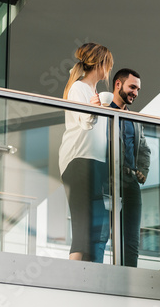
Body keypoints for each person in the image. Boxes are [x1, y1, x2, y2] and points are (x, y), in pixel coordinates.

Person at [58, 43, 114, 262]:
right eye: (108, 65)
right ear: (101, 64)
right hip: (79, 159)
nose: (108, 70)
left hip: (95, 162)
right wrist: (96, 109)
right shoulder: (78, 88)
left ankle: (91, 273)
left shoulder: (94, 92)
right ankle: (74, 277)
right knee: (82, 224)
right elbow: (86, 122)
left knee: (98, 228)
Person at [109, 68, 151, 267]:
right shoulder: (102, 110)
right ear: (118, 84)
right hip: (107, 178)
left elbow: (144, 149)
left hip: (131, 181)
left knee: (132, 239)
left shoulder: (134, 119)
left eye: (138, 89)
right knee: (104, 232)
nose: (135, 92)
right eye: (132, 87)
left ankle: (128, 282)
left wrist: (143, 169)